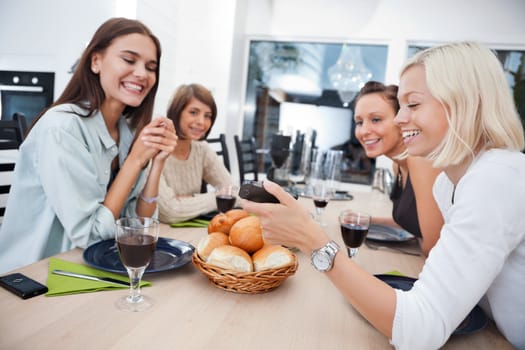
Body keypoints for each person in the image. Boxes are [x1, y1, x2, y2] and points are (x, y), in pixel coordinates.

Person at [241, 41, 525, 349]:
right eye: (401, 106)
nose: (401, 118)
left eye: (413, 105)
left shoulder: (498, 177)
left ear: (471, 103)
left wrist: (313, 241)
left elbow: (419, 331)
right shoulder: (449, 182)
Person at [0, 18, 177, 274]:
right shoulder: (62, 128)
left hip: (93, 267)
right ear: (96, 61)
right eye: (129, 60)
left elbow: (138, 225)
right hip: (37, 275)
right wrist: (135, 161)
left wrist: (157, 163)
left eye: (151, 67)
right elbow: (91, 236)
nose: (142, 74)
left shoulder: (127, 133)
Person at [353, 81, 443, 255]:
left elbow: (433, 247)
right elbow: (415, 221)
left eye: (376, 119)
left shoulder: (421, 162)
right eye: (359, 122)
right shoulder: (398, 166)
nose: (364, 131)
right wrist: (366, 220)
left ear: (401, 119)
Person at [158, 84, 233, 224]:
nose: (201, 122)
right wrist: (216, 197)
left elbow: (233, 191)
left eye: (207, 116)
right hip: (160, 234)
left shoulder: (202, 150)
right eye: (193, 112)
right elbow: (169, 212)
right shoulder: (156, 151)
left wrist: (189, 198)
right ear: (177, 112)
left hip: (191, 230)